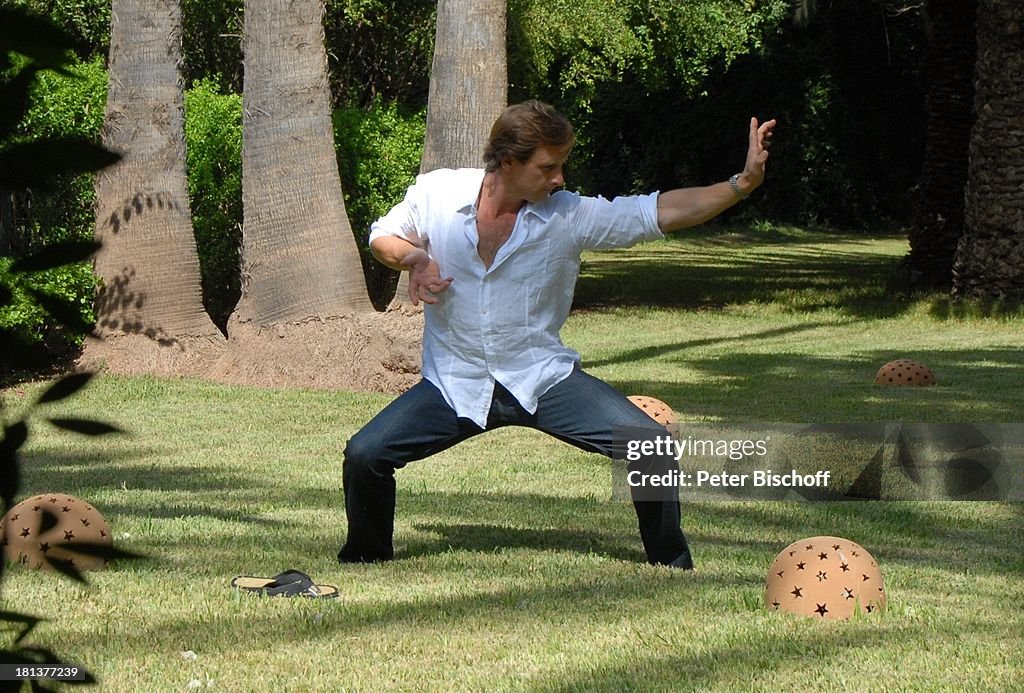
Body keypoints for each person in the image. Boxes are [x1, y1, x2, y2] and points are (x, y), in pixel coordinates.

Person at [339, 100, 775, 569]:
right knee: (365, 454)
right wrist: (414, 259)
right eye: (548, 166)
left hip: (540, 378)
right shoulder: (439, 194)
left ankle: (669, 561)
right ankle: (367, 556)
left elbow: (660, 212)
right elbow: (384, 236)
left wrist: (741, 184)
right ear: (509, 161)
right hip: (454, 383)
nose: (559, 179)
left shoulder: (567, 216)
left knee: (652, 444)